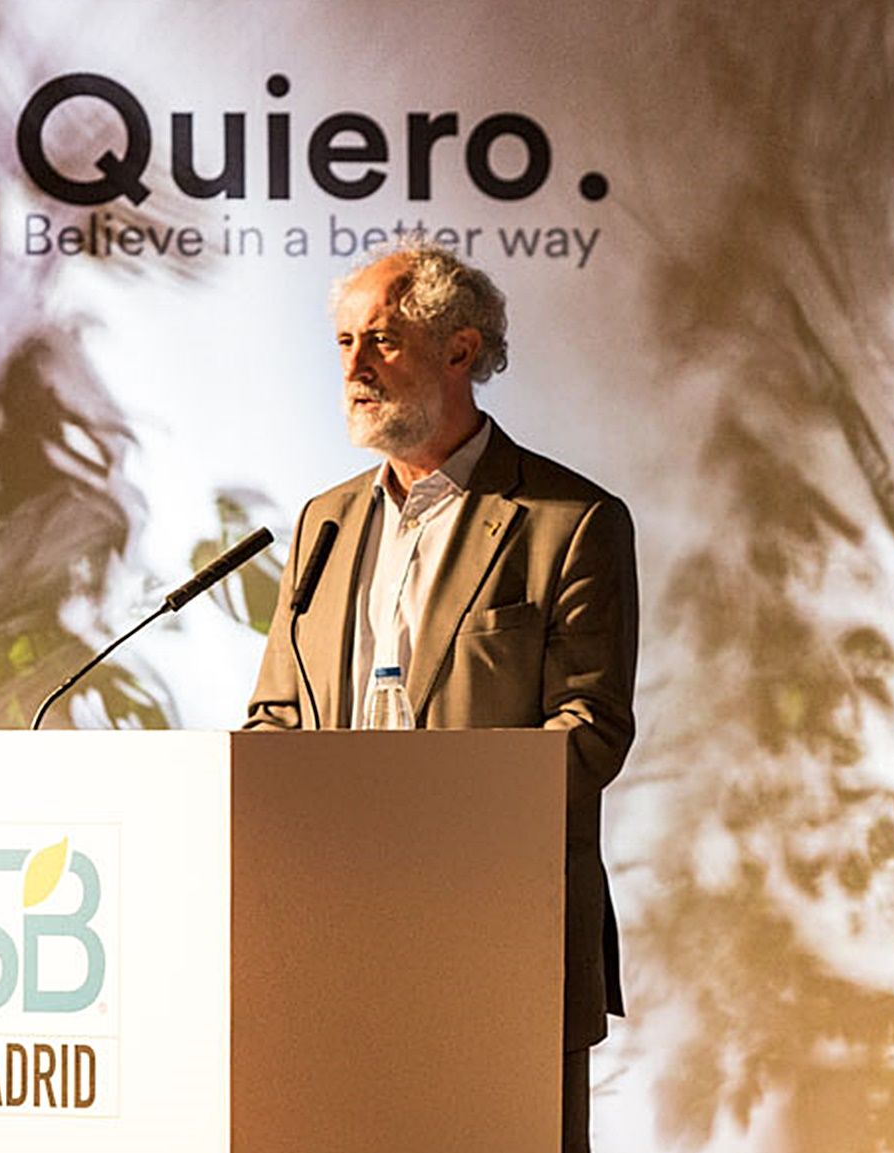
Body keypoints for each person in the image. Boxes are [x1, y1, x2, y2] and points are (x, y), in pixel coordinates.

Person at [244, 242, 639, 1152]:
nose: (352, 368)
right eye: (343, 342)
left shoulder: (568, 522)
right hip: (330, 940)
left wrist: (425, 830)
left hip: (497, 943)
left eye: (379, 340)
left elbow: (589, 733)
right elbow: (275, 719)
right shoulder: (325, 521)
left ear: (461, 351)